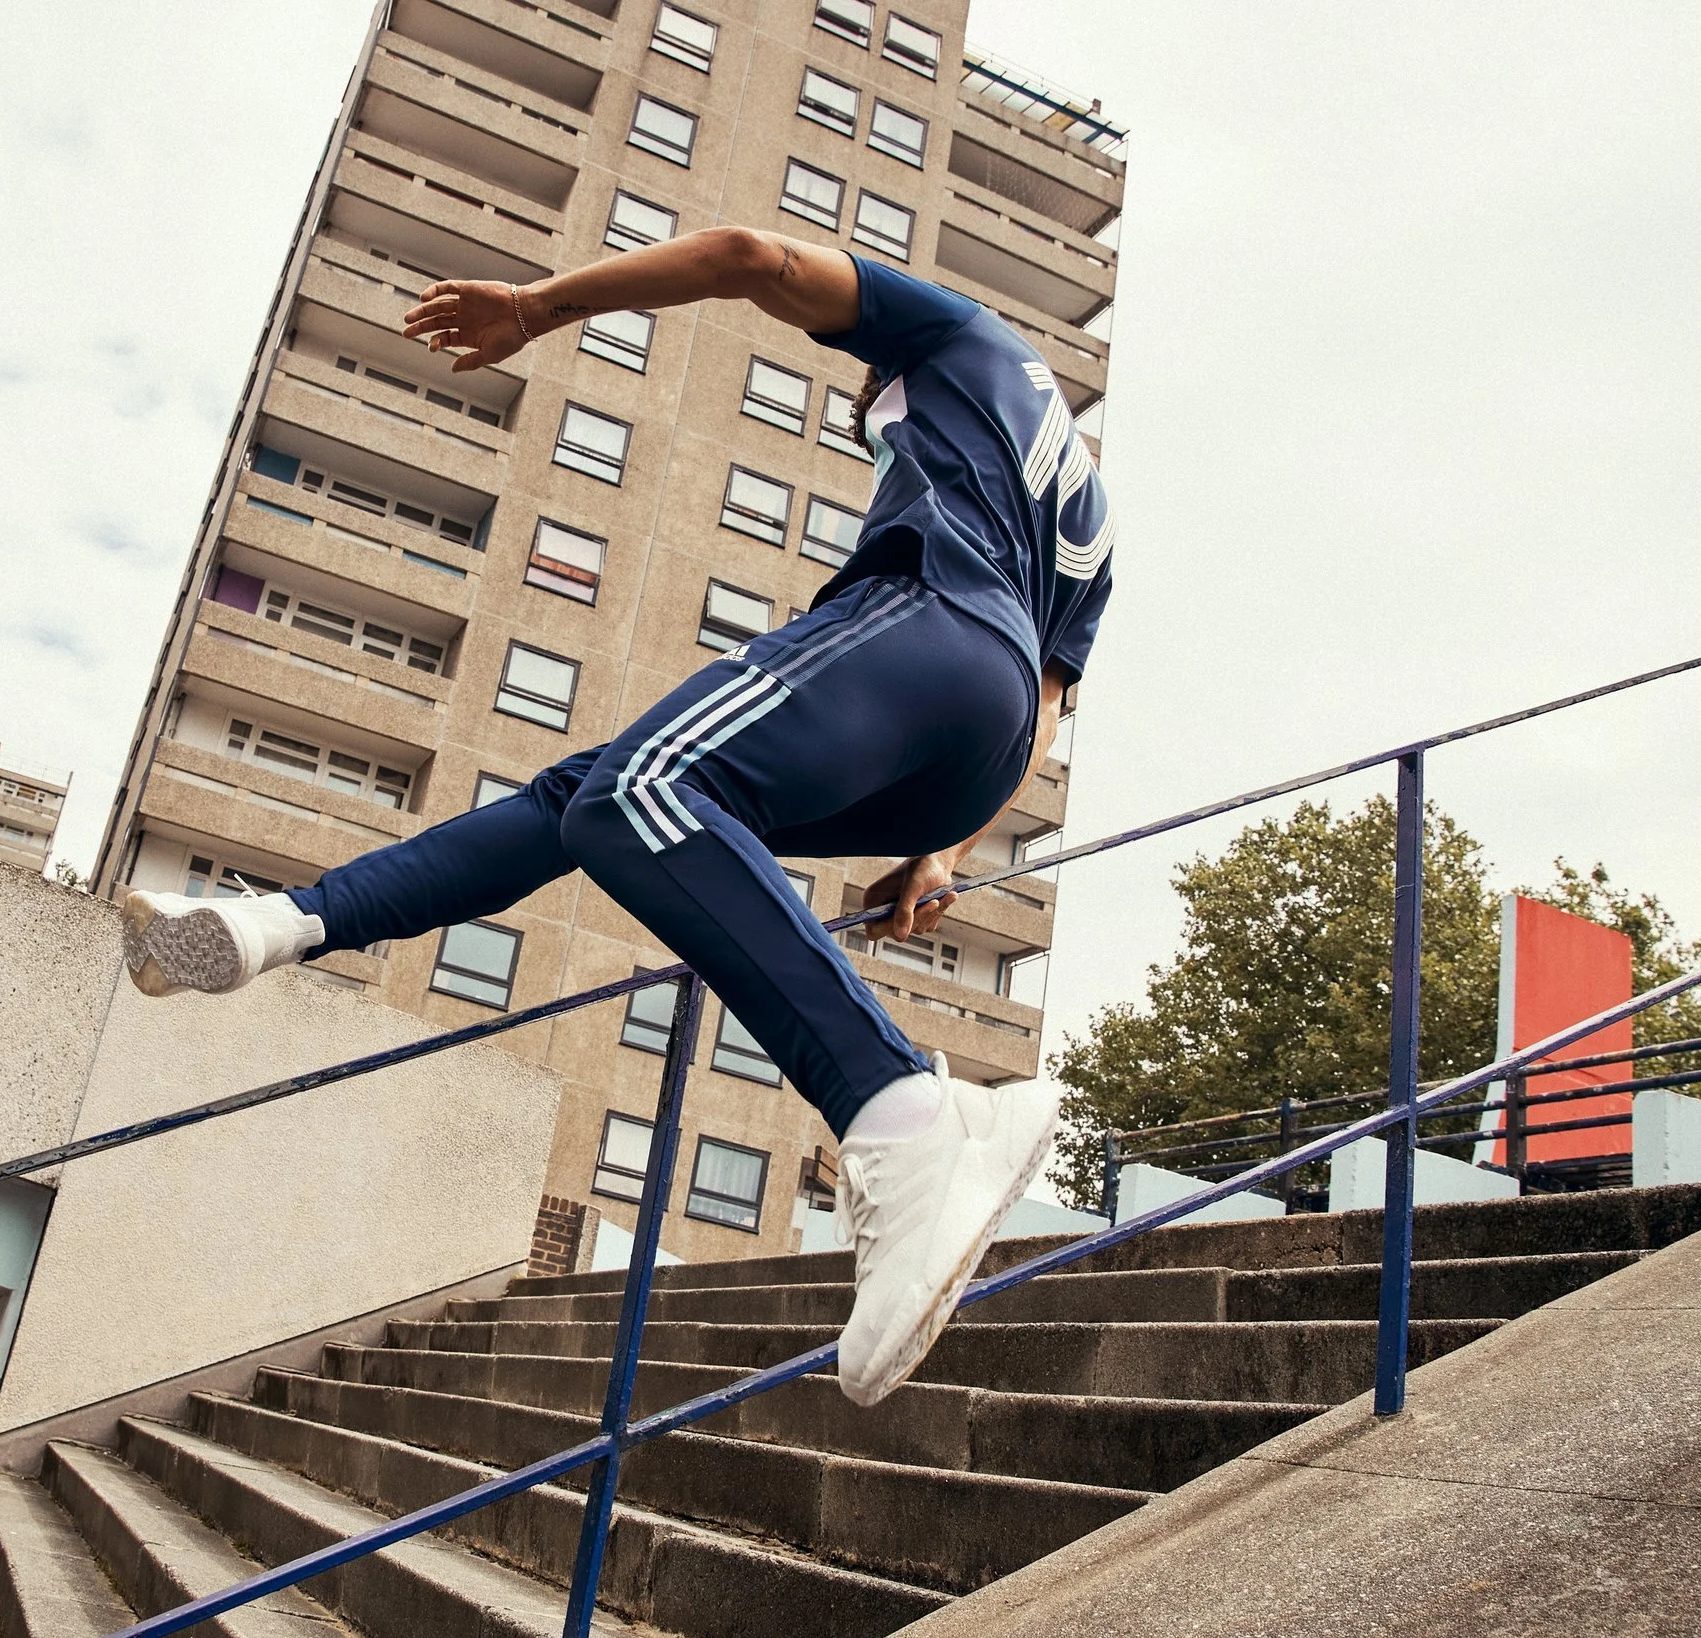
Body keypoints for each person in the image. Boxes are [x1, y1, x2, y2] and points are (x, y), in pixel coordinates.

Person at [120, 227, 1115, 1406]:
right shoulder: (1088, 515)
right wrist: (938, 847)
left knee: (636, 792)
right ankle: (283, 923)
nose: (866, 411)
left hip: (925, 625)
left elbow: (750, 256)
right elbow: (1048, 706)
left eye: (865, 408)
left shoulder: (957, 335)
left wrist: (536, 307)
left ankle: (900, 1106)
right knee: (588, 799)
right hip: (972, 741)